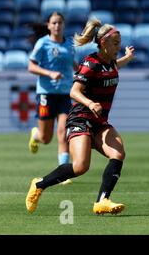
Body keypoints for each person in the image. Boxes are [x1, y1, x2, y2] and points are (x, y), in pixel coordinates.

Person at [25, 18, 135, 215]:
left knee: (118, 153)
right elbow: (74, 91)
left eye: (120, 43)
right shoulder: (90, 63)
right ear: (103, 43)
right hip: (81, 118)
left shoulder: (110, 64)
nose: (119, 46)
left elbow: (115, 67)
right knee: (80, 166)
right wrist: (91, 103)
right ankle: (39, 184)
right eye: (116, 43)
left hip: (99, 122)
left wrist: (127, 57)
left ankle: (102, 201)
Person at [27, 12, 77, 184]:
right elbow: (31, 66)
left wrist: (81, 74)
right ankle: (36, 135)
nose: (57, 26)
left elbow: (73, 63)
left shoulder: (70, 44)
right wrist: (49, 73)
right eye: (54, 23)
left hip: (65, 94)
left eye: (60, 23)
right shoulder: (43, 44)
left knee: (64, 133)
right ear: (48, 25)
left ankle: (63, 173)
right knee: (46, 138)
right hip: (46, 94)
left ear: (64, 25)